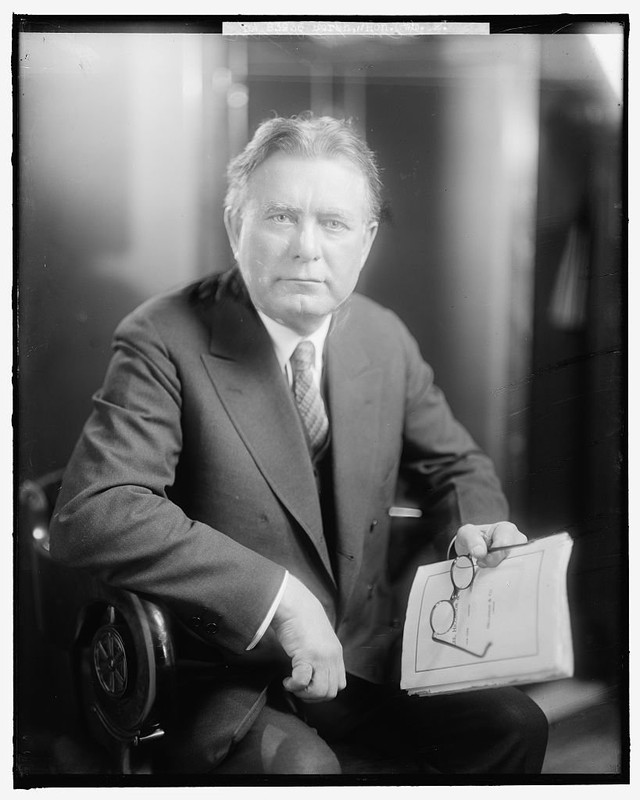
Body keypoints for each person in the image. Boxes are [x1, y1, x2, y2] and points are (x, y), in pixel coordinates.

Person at [50, 113, 548, 775]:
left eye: (335, 224)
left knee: (514, 726)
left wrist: (477, 525)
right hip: (231, 675)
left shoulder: (384, 337)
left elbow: (455, 463)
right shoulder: (162, 336)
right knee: (303, 773)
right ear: (237, 227)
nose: (306, 249)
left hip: (369, 657)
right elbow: (95, 513)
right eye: (280, 217)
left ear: (366, 242)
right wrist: (280, 600)